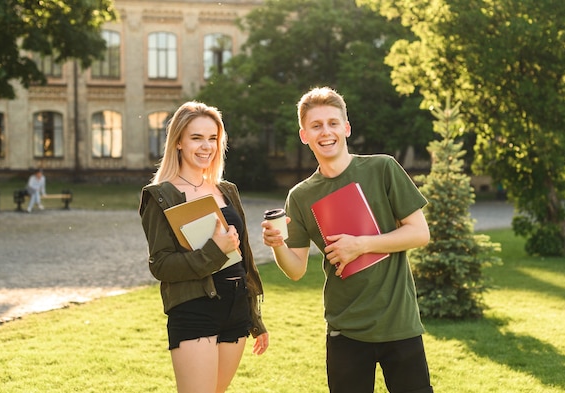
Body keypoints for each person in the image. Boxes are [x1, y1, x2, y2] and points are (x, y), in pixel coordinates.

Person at [262, 87, 434, 393]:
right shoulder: (301, 196)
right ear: (304, 135)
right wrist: (277, 245)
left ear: (346, 128)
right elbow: (296, 269)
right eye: (316, 126)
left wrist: (361, 244)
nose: (325, 132)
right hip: (345, 330)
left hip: (399, 323)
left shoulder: (382, 168)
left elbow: (419, 232)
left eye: (332, 123)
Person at [139, 101, 269, 393]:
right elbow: (160, 265)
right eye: (196, 138)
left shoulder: (227, 190)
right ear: (179, 143)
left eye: (213, 138)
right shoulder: (161, 195)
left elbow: (243, 258)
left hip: (236, 309)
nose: (206, 146)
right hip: (195, 309)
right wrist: (214, 250)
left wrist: (255, 319)